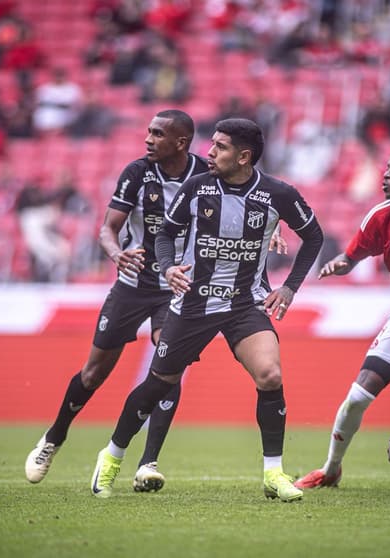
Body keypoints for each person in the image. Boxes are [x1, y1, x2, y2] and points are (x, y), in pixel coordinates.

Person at [89, 118, 324, 501]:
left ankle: (273, 473)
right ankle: (112, 454)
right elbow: (166, 233)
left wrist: (290, 287)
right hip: (194, 303)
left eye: (220, 147)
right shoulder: (196, 187)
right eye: (211, 144)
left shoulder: (277, 193)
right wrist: (168, 267)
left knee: (270, 374)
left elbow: (313, 235)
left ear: (243, 157)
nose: (209, 152)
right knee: (158, 384)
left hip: (245, 302)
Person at [24, 110, 209, 491]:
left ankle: (148, 462)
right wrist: (115, 253)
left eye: (158, 134)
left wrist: (269, 232)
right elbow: (108, 228)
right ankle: (54, 437)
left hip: (176, 285)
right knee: (94, 373)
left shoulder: (206, 176)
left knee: (169, 363)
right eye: (148, 131)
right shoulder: (136, 173)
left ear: (181, 142)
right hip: (132, 283)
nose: (148, 139)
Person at [293, 142, 390, 489]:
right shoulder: (381, 217)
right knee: (357, 397)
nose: (386, 174)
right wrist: (340, 264)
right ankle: (331, 469)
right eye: (387, 167)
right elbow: (352, 256)